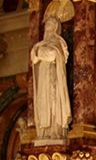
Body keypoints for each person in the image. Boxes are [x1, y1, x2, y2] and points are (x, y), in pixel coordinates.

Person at [30, 14, 71, 143]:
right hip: (42, 75)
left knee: (54, 100)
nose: (47, 25)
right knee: (43, 101)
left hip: (53, 75)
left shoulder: (59, 41)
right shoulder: (40, 44)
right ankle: (44, 131)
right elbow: (34, 57)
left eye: (50, 23)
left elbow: (55, 55)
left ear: (55, 27)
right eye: (46, 23)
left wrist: (41, 52)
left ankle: (55, 129)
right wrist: (40, 52)